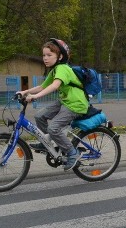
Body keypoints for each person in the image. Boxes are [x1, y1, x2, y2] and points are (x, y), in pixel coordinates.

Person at [19, 39, 88, 170]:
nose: (45, 58)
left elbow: (55, 86)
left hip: (75, 104)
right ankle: (47, 142)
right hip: (65, 101)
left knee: (53, 128)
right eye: (44, 55)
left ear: (60, 56)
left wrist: (35, 97)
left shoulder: (62, 68)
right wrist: (25, 91)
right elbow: (42, 86)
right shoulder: (55, 70)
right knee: (40, 116)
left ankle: (73, 153)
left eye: (49, 55)